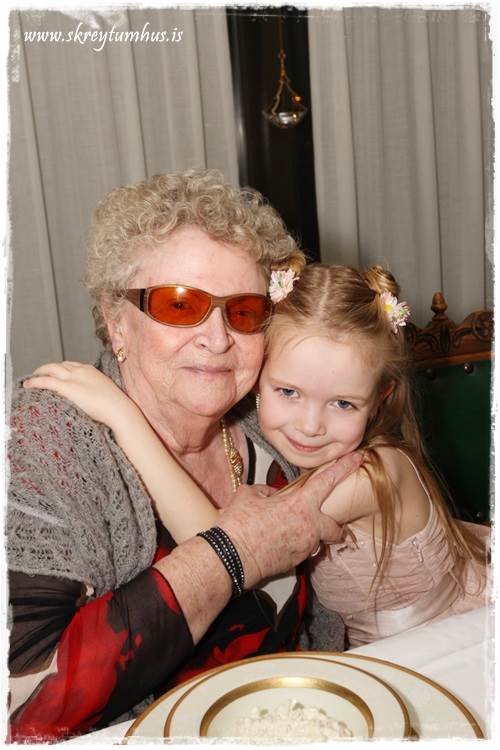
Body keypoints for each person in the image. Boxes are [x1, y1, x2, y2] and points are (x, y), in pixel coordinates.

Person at [7, 170, 360, 742]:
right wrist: (234, 552)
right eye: (179, 304)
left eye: (243, 312)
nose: (218, 339)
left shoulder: (277, 419)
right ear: (116, 321)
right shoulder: (45, 440)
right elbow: (22, 707)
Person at [26, 262, 490, 654]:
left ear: (381, 397)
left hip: (451, 649)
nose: (310, 425)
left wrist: (124, 419)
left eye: (343, 403)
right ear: (256, 378)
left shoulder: (366, 475)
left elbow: (226, 547)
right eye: (288, 392)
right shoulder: (306, 449)